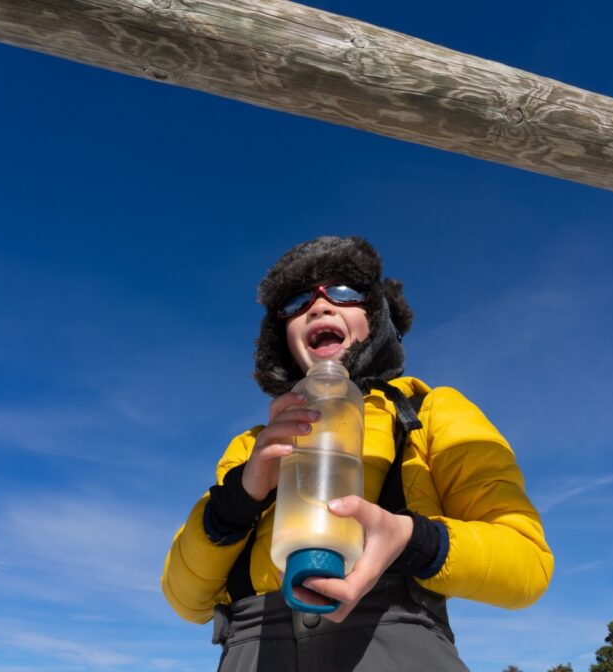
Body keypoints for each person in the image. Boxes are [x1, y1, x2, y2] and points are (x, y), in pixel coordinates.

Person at [161, 236, 553, 671]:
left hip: (395, 643)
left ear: (377, 317)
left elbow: (527, 565)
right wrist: (239, 498)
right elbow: (187, 600)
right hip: (253, 649)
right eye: (296, 301)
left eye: (345, 291)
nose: (320, 306)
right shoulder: (251, 446)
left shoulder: (426, 411)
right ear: (282, 337)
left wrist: (413, 540)